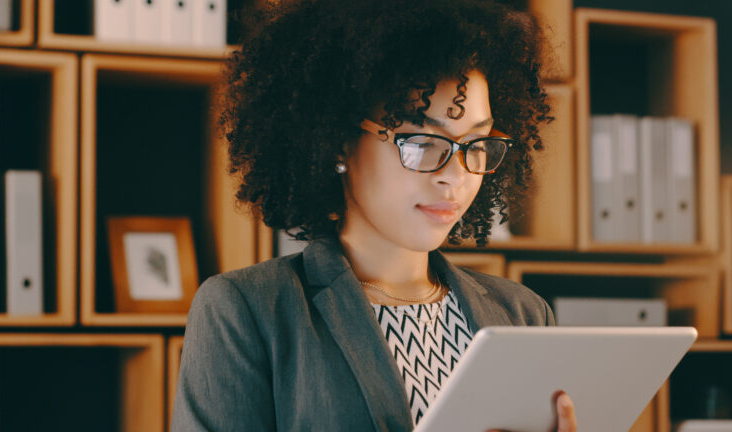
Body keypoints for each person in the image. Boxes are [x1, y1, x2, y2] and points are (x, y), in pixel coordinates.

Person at [171, 0, 577, 430]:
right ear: (337, 143)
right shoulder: (248, 311)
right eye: (422, 143)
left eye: (475, 144)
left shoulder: (523, 313)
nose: (455, 177)